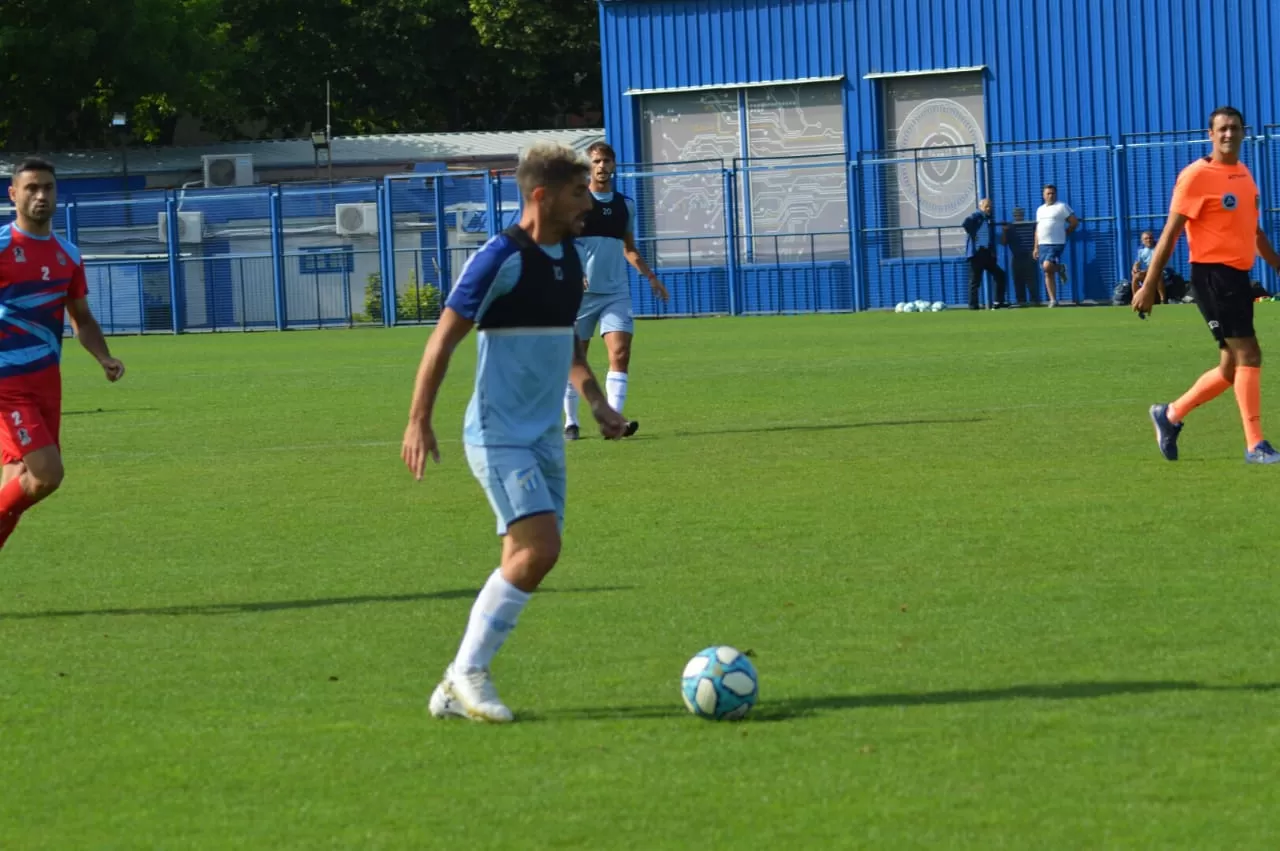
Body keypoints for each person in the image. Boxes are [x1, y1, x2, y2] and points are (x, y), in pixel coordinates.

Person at [400, 142, 628, 723]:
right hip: (498, 433)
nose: (588, 203)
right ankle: (468, 674)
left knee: (531, 557)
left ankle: (454, 684)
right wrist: (418, 419)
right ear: (541, 196)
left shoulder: (570, 259)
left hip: (544, 436)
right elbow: (441, 341)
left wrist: (597, 403)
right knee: (540, 548)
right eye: (579, 193)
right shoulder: (500, 257)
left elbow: (566, 350)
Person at [1136, 106, 1280, 463]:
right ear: (1210, 134)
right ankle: (1255, 445)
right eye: (1222, 129)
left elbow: (1255, 231)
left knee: (1232, 367)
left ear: (1244, 132)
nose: (1229, 134)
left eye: (1234, 128)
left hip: (1238, 277)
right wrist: (1149, 285)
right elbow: (1170, 233)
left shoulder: (1245, 176)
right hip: (1212, 276)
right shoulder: (1196, 175)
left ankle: (1169, 415)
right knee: (1250, 353)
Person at [0, 158, 125, 550]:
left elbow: (81, 318)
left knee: (18, 480)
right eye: (32, 187)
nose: (41, 195)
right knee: (47, 476)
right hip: (7, 384)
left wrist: (103, 357)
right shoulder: (2, 247)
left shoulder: (68, 255)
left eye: (48, 188)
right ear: (13, 194)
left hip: (47, 383)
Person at [562, 141, 668, 440]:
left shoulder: (626, 205)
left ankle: (614, 423)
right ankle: (570, 421)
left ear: (614, 165)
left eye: (606, 161)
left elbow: (629, 248)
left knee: (620, 353)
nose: (601, 166)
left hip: (615, 293)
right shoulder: (577, 202)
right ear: (588, 166)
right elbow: (563, 242)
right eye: (596, 161)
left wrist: (650, 276)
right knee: (575, 359)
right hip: (580, 296)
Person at [1033, 184, 1079, 307]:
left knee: (1047, 266)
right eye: (1048, 193)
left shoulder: (1062, 207)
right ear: (1044, 195)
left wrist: (1066, 232)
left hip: (1056, 243)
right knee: (1047, 271)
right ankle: (1053, 300)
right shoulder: (1040, 209)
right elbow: (1038, 229)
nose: (1051, 195)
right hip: (1043, 244)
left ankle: (1059, 268)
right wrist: (1036, 247)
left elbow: (1074, 222)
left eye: (1053, 193)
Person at [962, 198, 1008, 309]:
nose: (989, 209)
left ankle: (998, 302)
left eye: (990, 206)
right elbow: (966, 223)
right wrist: (973, 234)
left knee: (1000, 274)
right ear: (981, 206)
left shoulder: (987, 220)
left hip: (986, 253)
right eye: (986, 206)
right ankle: (973, 306)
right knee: (975, 281)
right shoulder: (977, 216)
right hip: (977, 253)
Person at [1001, 207, 1040, 305]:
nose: (1018, 216)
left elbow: (1037, 236)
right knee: (1018, 280)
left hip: (1029, 256)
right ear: (1014, 216)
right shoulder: (1010, 227)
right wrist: (1004, 231)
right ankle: (1021, 301)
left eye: (1020, 214)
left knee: (1031, 280)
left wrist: (1035, 250)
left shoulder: (1030, 225)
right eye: (1016, 215)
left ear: (1023, 215)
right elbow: (1003, 242)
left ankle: (1034, 301)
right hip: (1016, 257)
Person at [1130, 230, 1164, 303]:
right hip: (1148, 272)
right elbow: (1137, 263)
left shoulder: (1159, 247)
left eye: (1150, 238)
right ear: (1142, 241)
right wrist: (1135, 269)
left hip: (1162, 271)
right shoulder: (1141, 250)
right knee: (1136, 277)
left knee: (1157, 274)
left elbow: (1160, 263)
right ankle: (1135, 299)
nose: (1149, 240)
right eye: (1146, 238)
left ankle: (1163, 299)